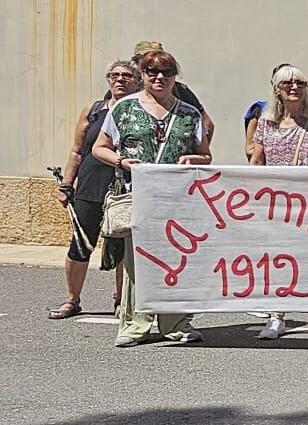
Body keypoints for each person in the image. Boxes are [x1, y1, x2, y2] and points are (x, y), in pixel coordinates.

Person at [95, 49, 212, 346]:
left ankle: (175, 322)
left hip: (176, 198)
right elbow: (100, 147)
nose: (159, 77)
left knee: (176, 257)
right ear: (142, 75)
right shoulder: (124, 108)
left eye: (167, 72)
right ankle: (135, 324)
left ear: (175, 77)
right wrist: (121, 162)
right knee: (138, 262)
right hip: (138, 193)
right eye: (152, 72)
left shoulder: (189, 113)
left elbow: (206, 155)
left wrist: (194, 159)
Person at [247, 64, 308, 340]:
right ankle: (277, 314)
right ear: (277, 88)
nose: (295, 87)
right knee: (279, 259)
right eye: (288, 83)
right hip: (277, 204)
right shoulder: (266, 122)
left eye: (299, 82)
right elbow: (257, 159)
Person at [48, 60, 138, 321]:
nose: (119, 80)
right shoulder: (95, 109)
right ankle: (72, 299)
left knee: (122, 245)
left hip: (123, 186)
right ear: (108, 79)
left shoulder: (138, 111)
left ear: (136, 81)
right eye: (115, 75)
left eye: (126, 76)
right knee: (80, 245)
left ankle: (121, 300)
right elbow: (77, 151)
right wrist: (66, 184)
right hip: (90, 184)